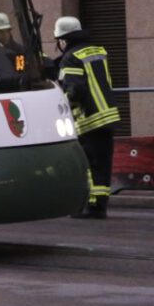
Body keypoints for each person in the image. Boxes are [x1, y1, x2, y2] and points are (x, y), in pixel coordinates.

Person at [51, 16, 120, 219]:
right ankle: (101, 204)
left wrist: (62, 104)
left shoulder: (70, 57)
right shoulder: (97, 50)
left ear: (63, 39)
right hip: (107, 115)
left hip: (89, 118)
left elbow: (75, 89)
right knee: (103, 163)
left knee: (91, 163)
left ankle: (92, 205)